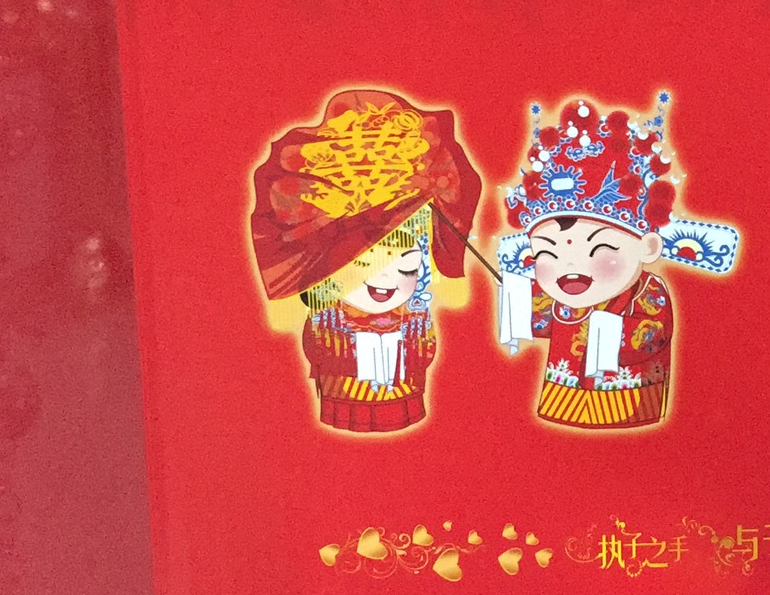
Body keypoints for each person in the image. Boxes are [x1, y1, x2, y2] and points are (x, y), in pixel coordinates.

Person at [496, 95, 738, 430]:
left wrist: (606, 330)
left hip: (626, 395)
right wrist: (517, 299)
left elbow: (651, 335)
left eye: (598, 249)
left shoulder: (648, 291)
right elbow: (543, 322)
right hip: (564, 393)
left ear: (647, 247)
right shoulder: (558, 292)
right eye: (548, 253)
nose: (570, 266)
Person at [250, 89, 482, 433]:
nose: (387, 279)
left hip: (407, 394)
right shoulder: (328, 318)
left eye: (406, 266)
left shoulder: (415, 316)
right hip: (340, 395)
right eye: (361, 265)